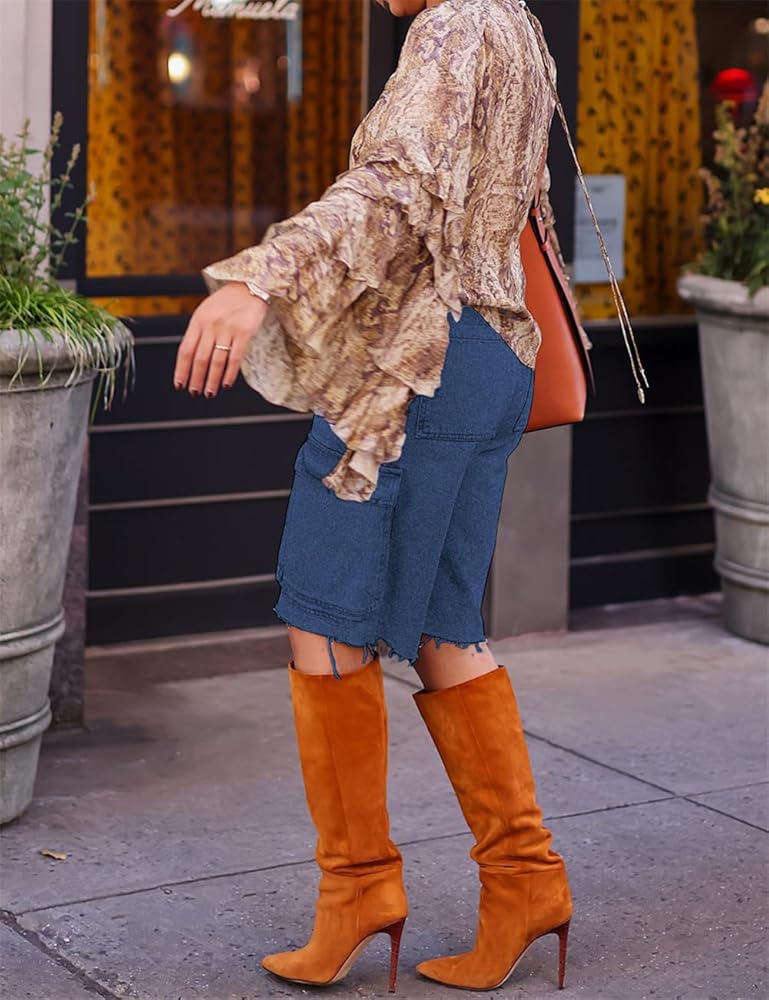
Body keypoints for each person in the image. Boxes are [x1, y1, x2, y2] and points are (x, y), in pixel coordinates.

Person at [173, 0, 573, 992]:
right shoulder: (515, 23)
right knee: (442, 622)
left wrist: (258, 280)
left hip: (415, 367)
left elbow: (389, 187)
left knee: (323, 610)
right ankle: (525, 883)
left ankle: (357, 887)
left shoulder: (449, 28)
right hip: (492, 356)